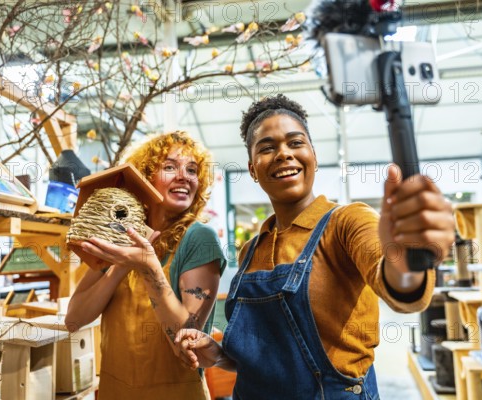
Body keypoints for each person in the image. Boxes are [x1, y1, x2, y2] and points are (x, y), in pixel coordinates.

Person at [175, 94, 455, 399]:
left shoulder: (347, 222)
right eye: (267, 148)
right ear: (253, 169)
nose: (283, 154)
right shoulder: (252, 249)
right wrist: (217, 355)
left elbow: (402, 291)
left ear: (314, 156)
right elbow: (263, 359)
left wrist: (409, 256)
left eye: (295, 143)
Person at [65, 131, 227, 399]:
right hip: (114, 392)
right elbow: (74, 319)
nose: (184, 176)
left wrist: (147, 266)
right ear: (145, 177)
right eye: (170, 167)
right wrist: (122, 265)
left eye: (192, 170)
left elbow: (186, 337)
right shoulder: (116, 237)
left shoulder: (199, 238)